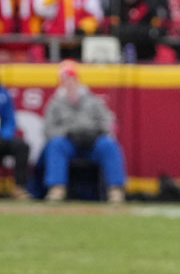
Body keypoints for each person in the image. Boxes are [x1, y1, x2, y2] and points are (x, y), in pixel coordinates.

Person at [41, 60, 126, 203]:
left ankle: (115, 190)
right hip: (69, 143)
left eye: (71, 78)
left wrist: (97, 132)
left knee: (109, 144)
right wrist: (68, 132)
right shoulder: (55, 103)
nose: (68, 82)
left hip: (92, 142)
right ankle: (57, 189)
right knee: (56, 144)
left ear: (76, 79)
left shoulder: (92, 100)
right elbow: (48, 129)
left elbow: (109, 121)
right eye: (65, 79)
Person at [0, 55, 31, 199]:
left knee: (22, 147)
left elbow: (10, 119)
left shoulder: (2, 92)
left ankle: (19, 187)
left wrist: (4, 135)